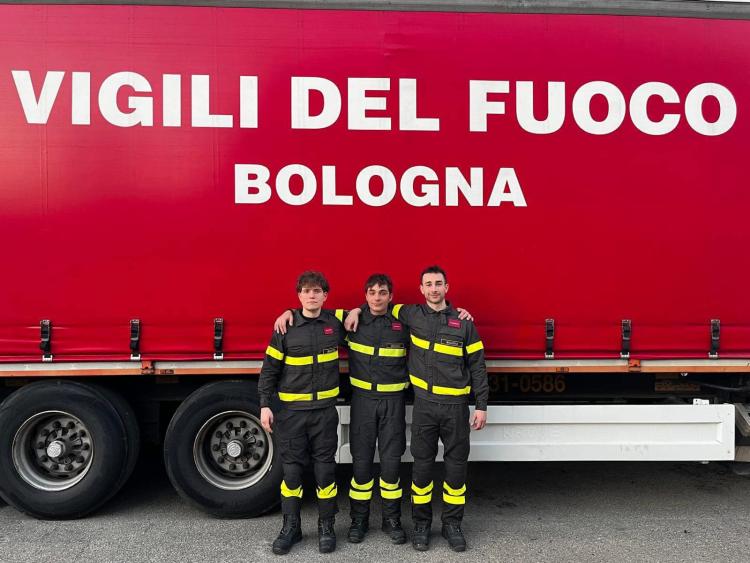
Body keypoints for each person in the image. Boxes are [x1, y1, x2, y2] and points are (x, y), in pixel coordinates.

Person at [273, 274, 473, 546]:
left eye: (382, 292)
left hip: (393, 403)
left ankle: (391, 520)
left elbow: (434, 320)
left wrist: (459, 313)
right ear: (365, 296)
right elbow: (316, 314)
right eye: (371, 293)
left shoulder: (404, 322)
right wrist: (290, 312)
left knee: (391, 466)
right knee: (362, 465)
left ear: (391, 297)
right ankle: (359, 520)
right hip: (363, 402)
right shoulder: (351, 322)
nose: (377, 297)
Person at [345, 265, 488, 552]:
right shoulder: (410, 314)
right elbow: (376, 306)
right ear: (421, 289)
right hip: (424, 406)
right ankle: (421, 525)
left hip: (456, 408)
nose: (434, 289)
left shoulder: (464, 323)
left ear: (446, 287)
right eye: (428, 284)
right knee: (421, 469)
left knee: (456, 470)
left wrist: (481, 405)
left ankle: (452, 525)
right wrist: (356, 310)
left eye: (438, 283)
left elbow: (478, 367)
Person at [258, 271, 346, 555]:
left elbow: (368, 315)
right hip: (292, 415)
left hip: (324, 413)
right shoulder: (285, 327)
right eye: (306, 291)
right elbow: (269, 370)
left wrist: (357, 311)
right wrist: (265, 404)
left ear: (325, 295)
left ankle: (326, 526)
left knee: (325, 471)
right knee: (292, 473)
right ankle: (291, 527)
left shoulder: (334, 323)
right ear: (299, 296)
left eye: (317, 291)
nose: (311, 295)